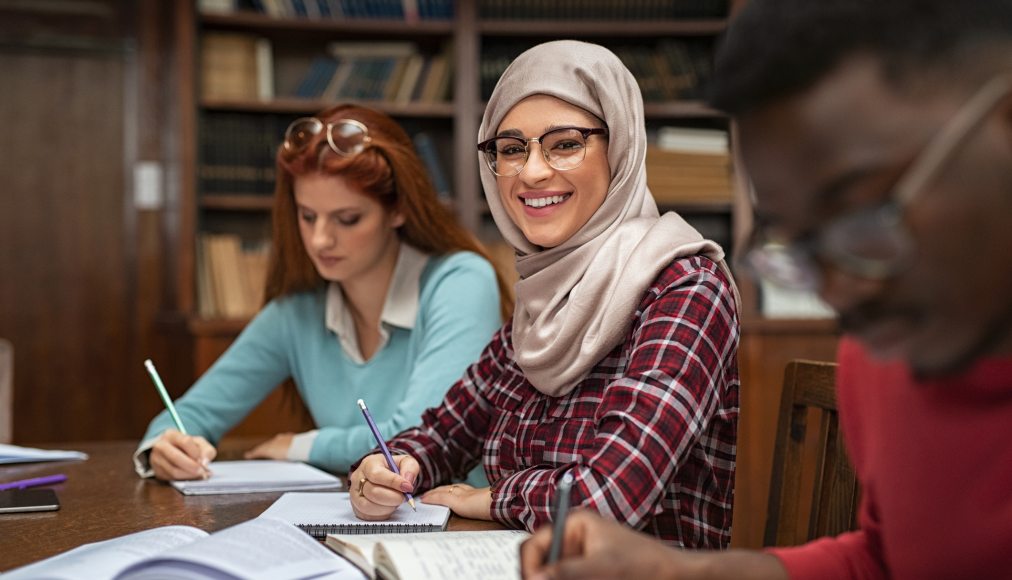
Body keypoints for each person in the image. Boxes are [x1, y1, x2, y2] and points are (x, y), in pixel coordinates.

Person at [519, 1, 1012, 579]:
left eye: (863, 215)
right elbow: (887, 560)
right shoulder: (881, 358)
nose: (839, 292)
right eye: (801, 245)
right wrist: (673, 574)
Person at [349, 40, 741, 549]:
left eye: (564, 143)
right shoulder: (542, 299)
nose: (532, 172)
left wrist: (491, 498)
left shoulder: (686, 290)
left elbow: (610, 498)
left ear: (620, 145)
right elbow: (446, 432)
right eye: (511, 149)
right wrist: (391, 467)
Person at [134, 104, 511, 481]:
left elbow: (420, 437)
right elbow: (191, 414)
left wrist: (303, 446)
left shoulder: (461, 282)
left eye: (347, 219)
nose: (319, 240)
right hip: (357, 521)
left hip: (458, 526)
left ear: (398, 210)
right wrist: (165, 447)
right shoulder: (296, 312)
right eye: (307, 216)